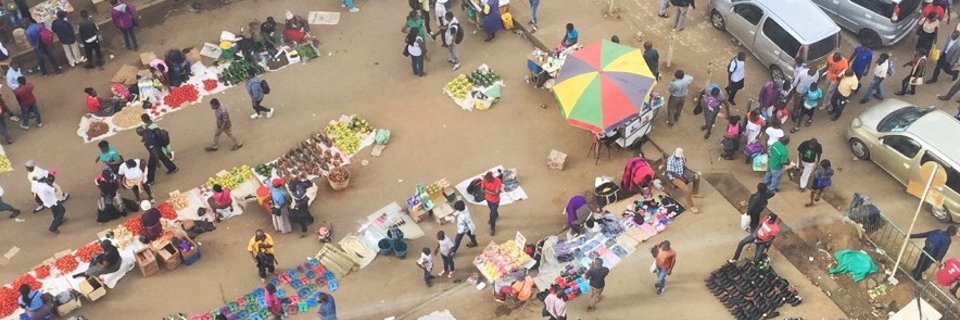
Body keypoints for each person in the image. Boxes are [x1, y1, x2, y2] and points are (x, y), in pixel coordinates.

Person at [665, 148, 702, 213]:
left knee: (697, 177)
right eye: (677, 157)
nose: (678, 158)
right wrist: (680, 177)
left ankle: (694, 193)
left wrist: (690, 173)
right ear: (674, 153)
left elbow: (683, 166)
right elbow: (670, 171)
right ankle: (691, 206)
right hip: (674, 177)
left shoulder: (681, 157)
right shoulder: (670, 159)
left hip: (682, 173)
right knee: (686, 190)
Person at [481, 171, 502, 236]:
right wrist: (490, 192)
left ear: (492, 178)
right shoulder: (485, 179)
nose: (487, 181)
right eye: (486, 180)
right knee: (492, 210)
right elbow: (482, 189)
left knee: (492, 215)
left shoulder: (497, 181)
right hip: (488, 199)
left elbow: (496, 193)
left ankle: (492, 228)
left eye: (488, 180)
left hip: (495, 201)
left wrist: (486, 191)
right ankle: (496, 215)